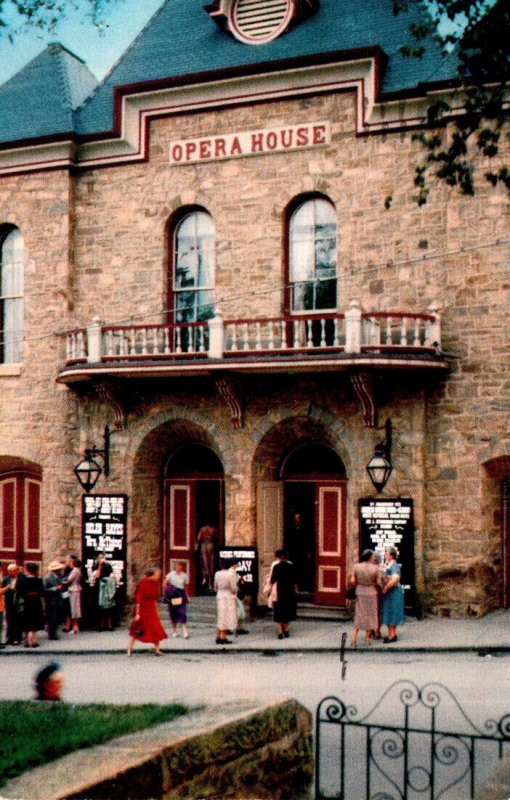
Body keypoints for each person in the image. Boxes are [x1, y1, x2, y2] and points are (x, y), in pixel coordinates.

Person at [127, 567, 167, 656]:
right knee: (139, 629)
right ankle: (129, 648)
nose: (159, 577)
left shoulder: (155, 583)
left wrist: (163, 586)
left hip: (152, 608)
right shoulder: (143, 583)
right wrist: (137, 613)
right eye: (157, 575)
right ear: (151, 575)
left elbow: (156, 596)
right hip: (144, 608)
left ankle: (157, 650)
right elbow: (139, 598)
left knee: (155, 628)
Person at [348, 549, 382, 648]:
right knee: (370, 615)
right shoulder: (376, 568)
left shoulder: (356, 566)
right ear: (370, 557)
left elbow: (352, 580)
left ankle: (354, 639)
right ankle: (367, 639)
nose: (374, 557)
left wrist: (356, 584)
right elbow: (378, 582)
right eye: (373, 556)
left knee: (359, 615)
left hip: (360, 591)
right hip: (371, 592)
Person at [270, 549, 298, 640]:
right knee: (288, 609)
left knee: (279, 610)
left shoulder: (276, 567)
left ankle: (280, 632)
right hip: (289, 590)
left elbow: (273, 580)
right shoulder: (291, 566)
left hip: (280, 590)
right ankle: (286, 629)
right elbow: (294, 579)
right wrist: (295, 589)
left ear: (278, 557)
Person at [381, 546, 406, 643]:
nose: (385, 555)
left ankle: (392, 635)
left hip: (393, 592)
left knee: (392, 612)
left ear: (391, 555)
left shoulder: (394, 565)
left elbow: (395, 579)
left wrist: (386, 587)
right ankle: (391, 634)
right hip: (391, 592)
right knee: (390, 611)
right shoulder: (390, 565)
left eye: (387, 554)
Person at [19, 562, 45, 648]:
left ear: (27, 570)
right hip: (36, 601)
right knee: (35, 620)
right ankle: (34, 641)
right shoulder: (39, 580)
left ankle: (27, 641)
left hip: (27, 601)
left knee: (26, 620)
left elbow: (20, 592)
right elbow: (42, 592)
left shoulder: (23, 580)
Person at [213, 558, 238, 644]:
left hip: (220, 595)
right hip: (228, 596)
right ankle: (224, 636)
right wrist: (235, 592)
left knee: (221, 615)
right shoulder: (230, 574)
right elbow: (233, 587)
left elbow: (215, 586)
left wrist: (219, 591)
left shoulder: (217, 573)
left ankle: (218, 636)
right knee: (227, 616)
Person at [164, 561, 190, 639]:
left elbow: (185, 586)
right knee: (173, 612)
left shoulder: (184, 576)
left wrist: (187, 595)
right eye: (178, 566)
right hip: (173, 594)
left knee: (182, 611)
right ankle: (175, 631)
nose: (179, 568)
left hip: (180, 594)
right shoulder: (171, 574)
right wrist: (168, 589)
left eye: (181, 567)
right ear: (176, 567)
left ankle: (185, 631)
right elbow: (164, 583)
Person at [43, 560, 64, 640]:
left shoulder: (59, 577)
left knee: (56, 617)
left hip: (58, 599)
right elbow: (44, 589)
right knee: (51, 617)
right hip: (51, 600)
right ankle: (52, 634)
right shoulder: (47, 578)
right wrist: (55, 588)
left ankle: (53, 632)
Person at [95, 555, 116, 631]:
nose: (101, 559)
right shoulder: (97, 565)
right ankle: (102, 624)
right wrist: (100, 566)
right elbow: (97, 576)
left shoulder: (108, 565)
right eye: (100, 558)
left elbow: (112, 574)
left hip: (107, 586)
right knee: (101, 607)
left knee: (109, 607)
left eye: (102, 557)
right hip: (101, 587)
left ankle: (109, 624)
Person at [63, 555, 83, 635]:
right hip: (76, 589)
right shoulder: (78, 570)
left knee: (74, 608)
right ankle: (75, 626)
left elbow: (69, 580)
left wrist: (63, 581)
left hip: (73, 590)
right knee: (75, 608)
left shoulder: (74, 571)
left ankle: (75, 627)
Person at [197, 524, 217, 591]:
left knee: (204, 562)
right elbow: (216, 537)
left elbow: (198, 538)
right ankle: (210, 583)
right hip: (211, 544)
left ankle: (204, 577)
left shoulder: (202, 529)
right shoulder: (213, 529)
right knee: (211, 563)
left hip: (204, 545)